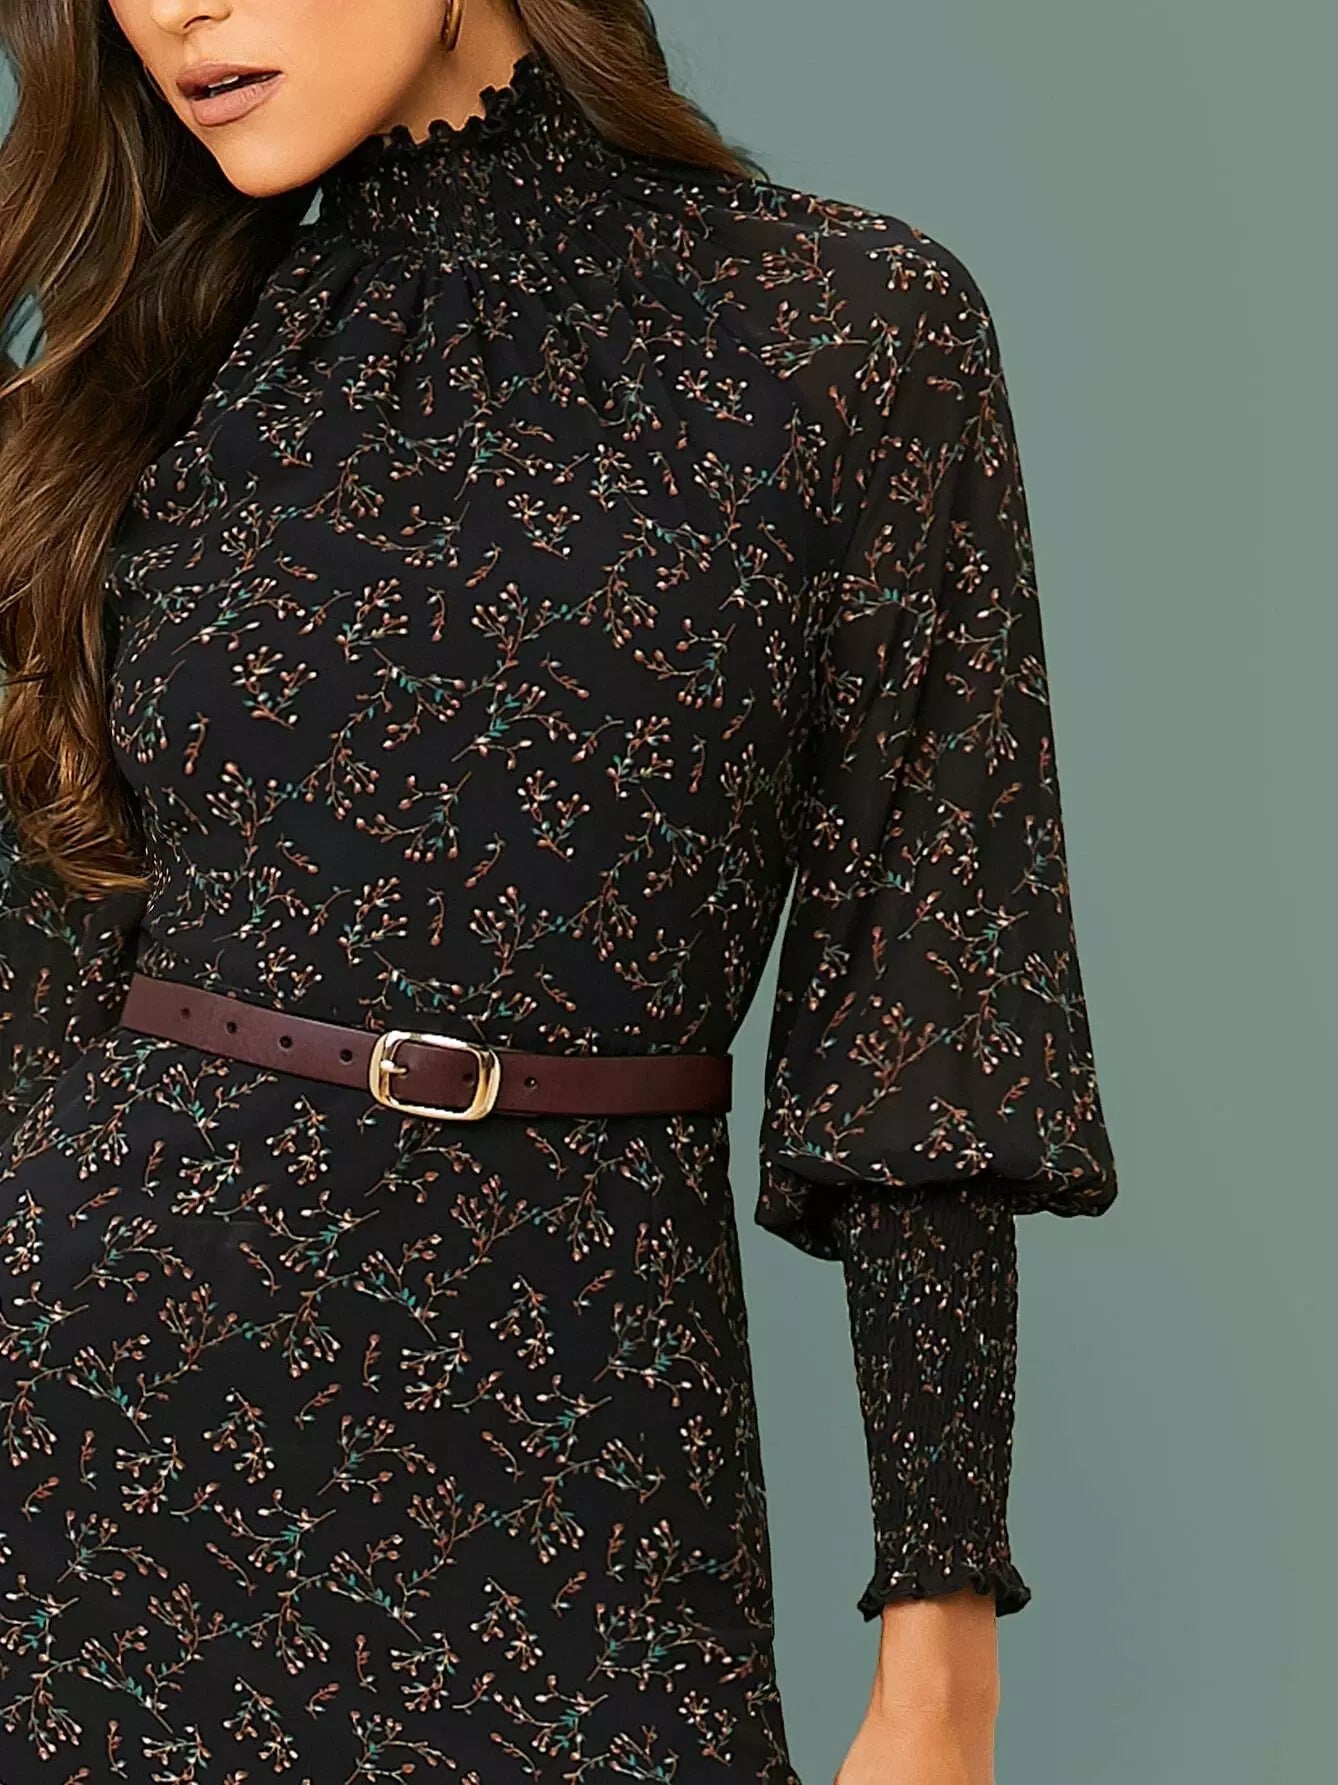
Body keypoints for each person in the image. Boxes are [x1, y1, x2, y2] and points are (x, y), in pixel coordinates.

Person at [0, 2, 1119, 1780]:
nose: (176, 9)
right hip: (95, 1465)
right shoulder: (151, 374)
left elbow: (929, 1019)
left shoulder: (847, 330)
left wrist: (940, 1673)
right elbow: (46, 972)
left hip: (592, 1475)